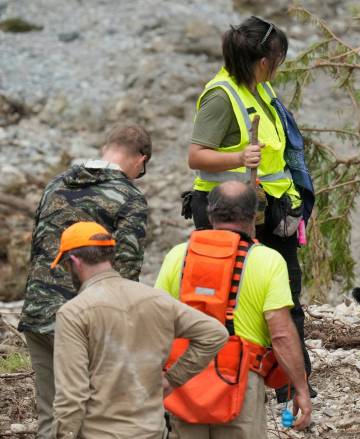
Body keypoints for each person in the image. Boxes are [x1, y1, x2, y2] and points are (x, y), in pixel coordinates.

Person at [184, 16, 314, 401]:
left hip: (271, 208)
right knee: (227, 296)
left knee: (285, 294)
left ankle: (290, 383)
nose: (279, 67)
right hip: (227, 213)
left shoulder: (260, 89)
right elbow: (196, 156)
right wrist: (239, 156)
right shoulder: (221, 97)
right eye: (278, 60)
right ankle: (225, 377)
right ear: (263, 61)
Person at [19, 124, 152, 439]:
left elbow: (38, 248)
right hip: (86, 322)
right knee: (93, 418)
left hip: (38, 312)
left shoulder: (55, 185)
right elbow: (127, 268)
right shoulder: (129, 196)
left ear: (106, 149)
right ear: (141, 159)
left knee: (51, 416)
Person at [158, 181, 312, 437]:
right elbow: (281, 335)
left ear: (210, 213)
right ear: (254, 216)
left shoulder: (178, 255)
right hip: (241, 382)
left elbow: (157, 324)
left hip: (183, 380)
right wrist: (300, 388)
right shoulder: (268, 260)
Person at [50, 222, 228, 438]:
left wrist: (63, 434)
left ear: (75, 261)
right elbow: (215, 333)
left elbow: (72, 395)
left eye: (65, 266)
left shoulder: (74, 313)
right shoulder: (156, 299)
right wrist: (173, 379)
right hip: (152, 432)